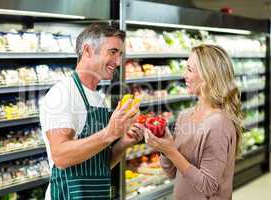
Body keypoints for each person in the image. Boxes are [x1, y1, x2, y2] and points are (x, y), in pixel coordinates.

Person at [40, 23, 144, 200]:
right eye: (112, 52)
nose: (118, 62)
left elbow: (99, 165)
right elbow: (61, 156)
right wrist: (109, 133)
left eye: (120, 55)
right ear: (88, 50)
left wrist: (123, 143)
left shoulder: (98, 98)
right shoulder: (63, 94)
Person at [144, 44, 242, 200]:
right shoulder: (185, 116)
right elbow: (174, 175)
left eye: (189, 69)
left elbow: (208, 186)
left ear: (208, 76)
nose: (185, 75)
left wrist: (171, 151)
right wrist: (163, 147)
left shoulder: (219, 124)